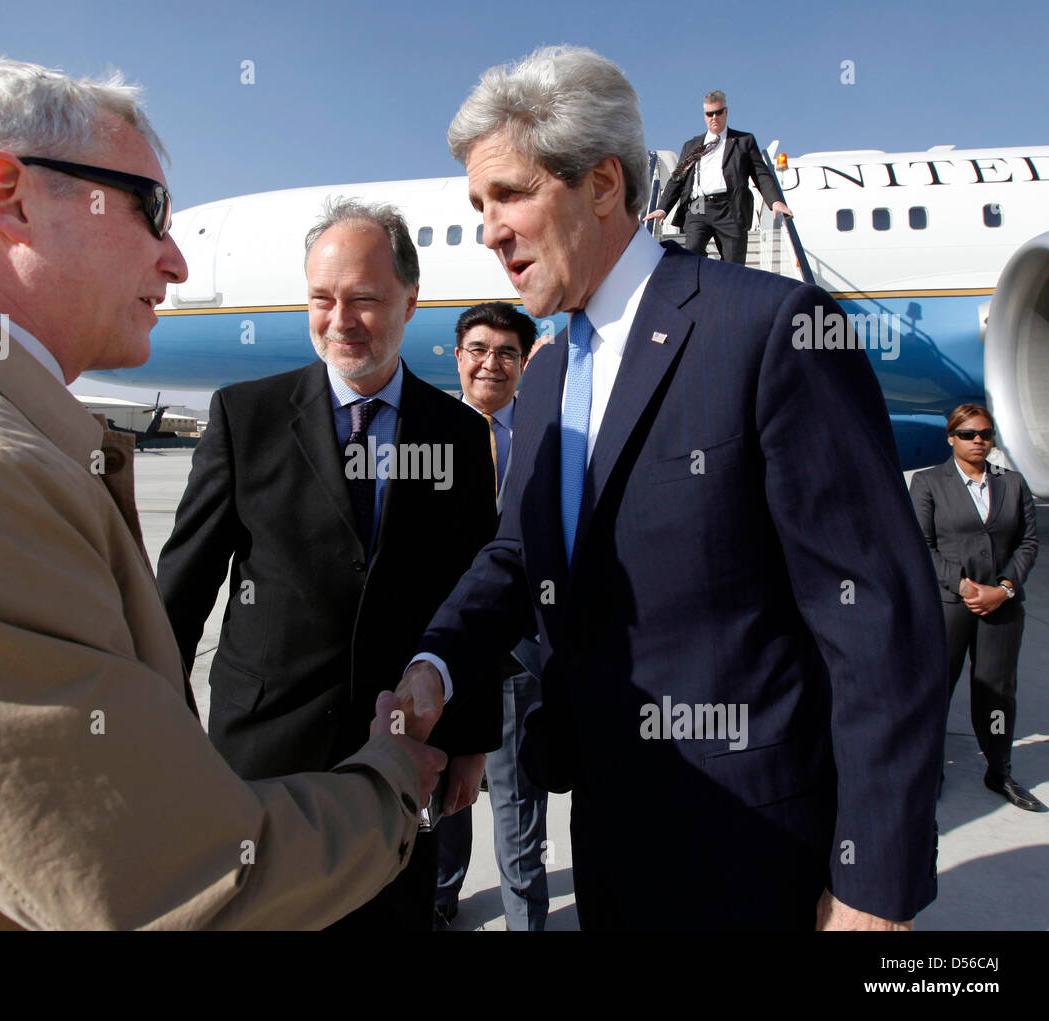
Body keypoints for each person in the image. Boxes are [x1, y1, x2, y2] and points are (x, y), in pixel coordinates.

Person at [0, 51, 447, 930]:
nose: (177, 259)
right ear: (8, 194)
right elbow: (169, 888)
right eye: (150, 208)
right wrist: (388, 784)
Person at [395, 45, 949, 930]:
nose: (488, 230)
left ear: (603, 183)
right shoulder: (544, 376)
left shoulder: (772, 329)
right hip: (612, 839)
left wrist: (873, 884)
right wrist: (434, 666)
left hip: (754, 853)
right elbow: (517, 553)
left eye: (508, 196)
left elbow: (879, 619)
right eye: (477, 206)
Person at [156, 198, 500, 931]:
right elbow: (179, 594)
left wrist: (469, 739)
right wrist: (161, 730)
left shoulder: (460, 438)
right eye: (322, 298)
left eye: (365, 300)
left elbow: (475, 593)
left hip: (400, 758)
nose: (339, 319)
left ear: (411, 300)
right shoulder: (244, 418)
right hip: (263, 758)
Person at [434, 301, 551, 931]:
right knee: (446, 789)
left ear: (525, 363)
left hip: (520, 644)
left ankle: (525, 917)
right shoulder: (422, 436)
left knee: (515, 795)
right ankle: (441, 897)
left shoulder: (547, 434)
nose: (490, 364)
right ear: (458, 356)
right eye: (478, 350)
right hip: (445, 644)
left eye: (507, 353)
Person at [909, 405, 1043, 811]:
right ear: (951, 437)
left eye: (985, 433)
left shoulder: (1013, 484)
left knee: (997, 693)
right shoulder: (928, 483)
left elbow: (1028, 543)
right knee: (937, 689)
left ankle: (999, 770)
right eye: (967, 434)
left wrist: (1003, 589)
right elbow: (921, 545)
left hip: (1001, 608)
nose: (978, 440)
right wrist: (965, 585)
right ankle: (931, 769)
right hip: (951, 605)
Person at [644, 90, 792, 264]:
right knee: (692, 252)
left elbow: (761, 174)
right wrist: (662, 208)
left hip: (730, 208)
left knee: (734, 265)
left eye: (718, 112)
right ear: (704, 115)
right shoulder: (692, 146)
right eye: (709, 114)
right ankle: (705, 279)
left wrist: (775, 201)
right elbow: (678, 178)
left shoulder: (743, 141)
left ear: (726, 112)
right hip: (699, 206)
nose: (714, 117)